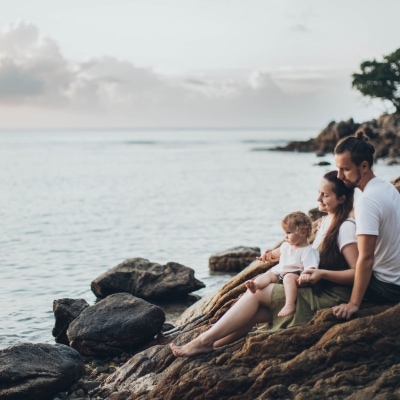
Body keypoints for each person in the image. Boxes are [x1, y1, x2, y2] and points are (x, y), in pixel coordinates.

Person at [170, 170, 358, 357]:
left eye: (325, 195)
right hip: (314, 287)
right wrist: (276, 256)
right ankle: (215, 344)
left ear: (341, 199)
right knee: (255, 311)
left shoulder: (345, 228)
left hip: (329, 295)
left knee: (256, 293)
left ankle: (202, 341)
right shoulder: (326, 221)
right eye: (318, 192)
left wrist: (322, 275)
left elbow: (358, 274)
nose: (318, 198)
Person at [332, 130, 400, 320]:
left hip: (387, 286)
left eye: (345, 169)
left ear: (364, 166)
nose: (339, 175)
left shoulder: (367, 201)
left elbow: (367, 258)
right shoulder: (386, 187)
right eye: (338, 169)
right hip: (396, 277)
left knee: (329, 267)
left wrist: (354, 304)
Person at [245, 211, 320, 317]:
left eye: (288, 233)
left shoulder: (308, 251)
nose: (286, 236)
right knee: (269, 274)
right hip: (281, 273)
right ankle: (256, 285)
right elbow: (274, 254)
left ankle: (289, 304)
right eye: (285, 233)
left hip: (297, 277)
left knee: (288, 277)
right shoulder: (286, 246)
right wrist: (266, 256)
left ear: (303, 232)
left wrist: (305, 274)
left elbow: (311, 267)